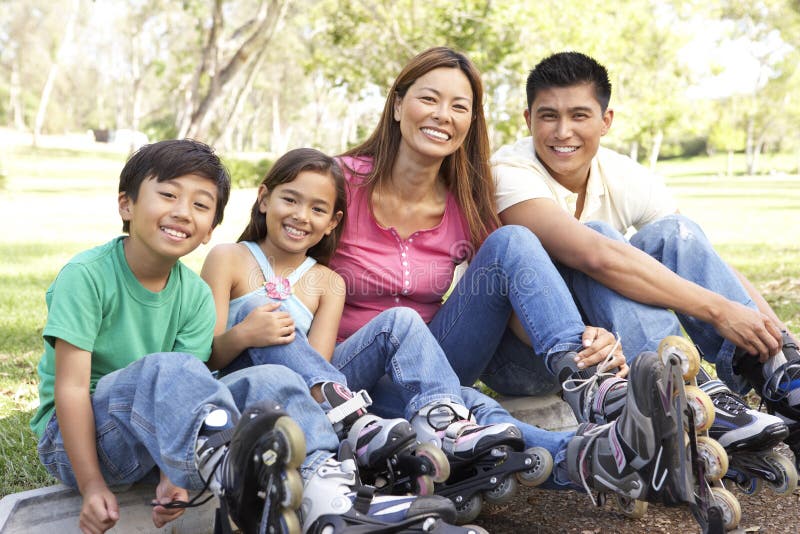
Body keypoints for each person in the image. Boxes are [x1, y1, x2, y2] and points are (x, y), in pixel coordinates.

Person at [325, 45, 706, 517]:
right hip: (346, 373)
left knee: (512, 242)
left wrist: (588, 337)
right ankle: (605, 459)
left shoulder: (465, 200)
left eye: (459, 106)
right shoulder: (339, 181)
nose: (442, 115)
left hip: (434, 364)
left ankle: (589, 382)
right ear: (398, 103)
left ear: (470, 122)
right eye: (429, 99)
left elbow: (513, 287)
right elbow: (270, 267)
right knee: (484, 416)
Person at [29, 139, 468, 534]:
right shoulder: (87, 277)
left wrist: (172, 476)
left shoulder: (195, 296)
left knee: (275, 380)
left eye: (201, 206)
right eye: (167, 195)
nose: (183, 212)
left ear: (210, 228)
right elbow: (70, 388)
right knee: (167, 367)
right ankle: (235, 473)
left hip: (159, 442)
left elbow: (184, 395)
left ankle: (327, 497)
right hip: (80, 440)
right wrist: (90, 486)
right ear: (126, 204)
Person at [491, 51, 799, 463]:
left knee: (675, 233)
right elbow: (595, 257)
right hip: (527, 355)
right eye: (548, 116)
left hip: (605, 348)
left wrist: (776, 336)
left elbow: (696, 252)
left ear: (606, 120)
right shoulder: (508, 171)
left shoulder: (622, 173)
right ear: (528, 120)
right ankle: (688, 395)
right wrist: (720, 311)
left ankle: (778, 377)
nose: (563, 131)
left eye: (579, 115)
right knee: (598, 239)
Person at [199, 146, 535, 501]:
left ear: (332, 222)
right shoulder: (229, 258)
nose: (301, 216)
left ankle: (443, 423)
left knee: (399, 321)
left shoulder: (329, 282)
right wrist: (246, 334)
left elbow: (318, 365)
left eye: (317, 209)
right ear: (264, 198)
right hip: (247, 393)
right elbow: (208, 358)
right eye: (291, 200)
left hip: (314, 399)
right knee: (271, 325)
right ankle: (354, 422)